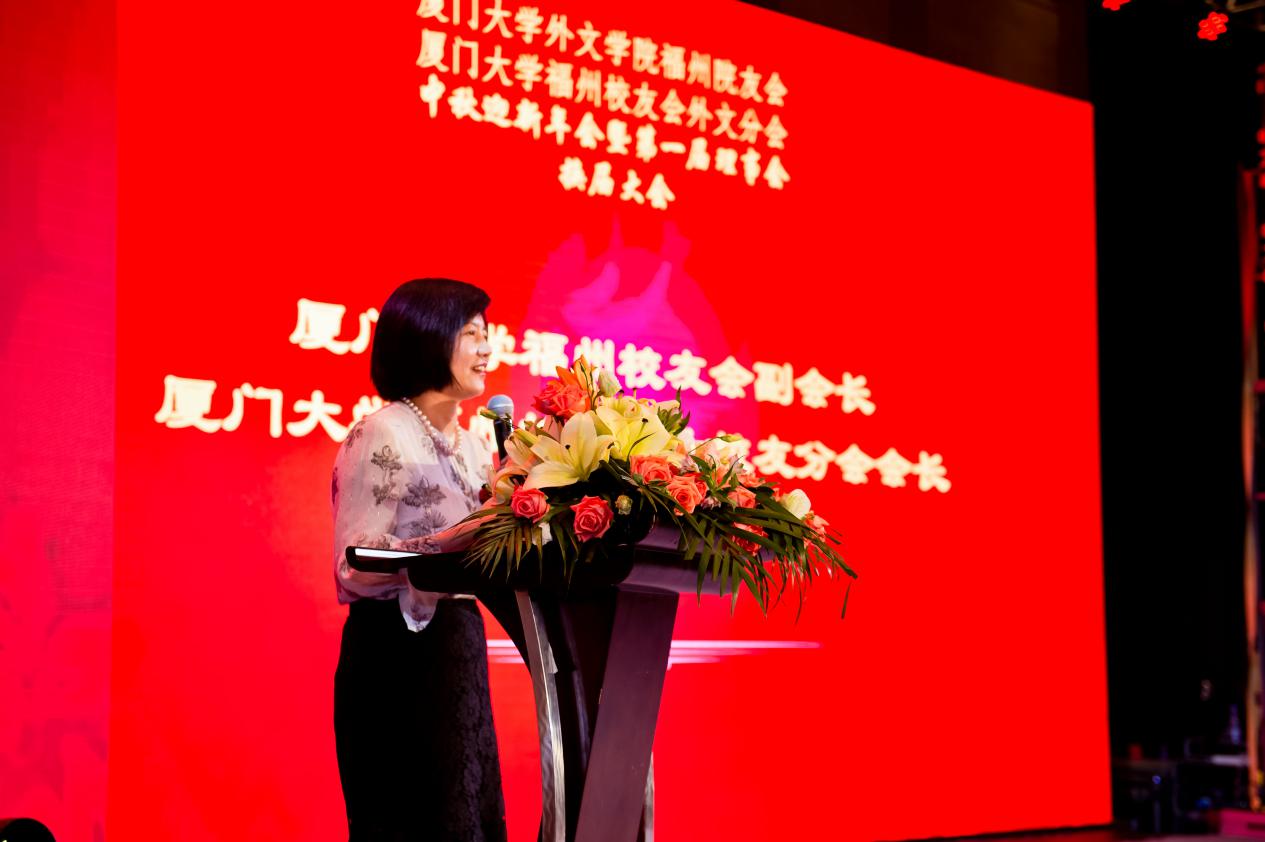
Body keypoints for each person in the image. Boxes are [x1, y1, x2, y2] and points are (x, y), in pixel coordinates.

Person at [330, 277, 505, 841]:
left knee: (469, 818)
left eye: (487, 334)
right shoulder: (383, 433)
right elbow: (353, 566)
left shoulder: (476, 446)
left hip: (459, 646)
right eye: (471, 334)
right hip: (395, 659)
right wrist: (452, 541)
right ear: (429, 335)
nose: (486, 349)